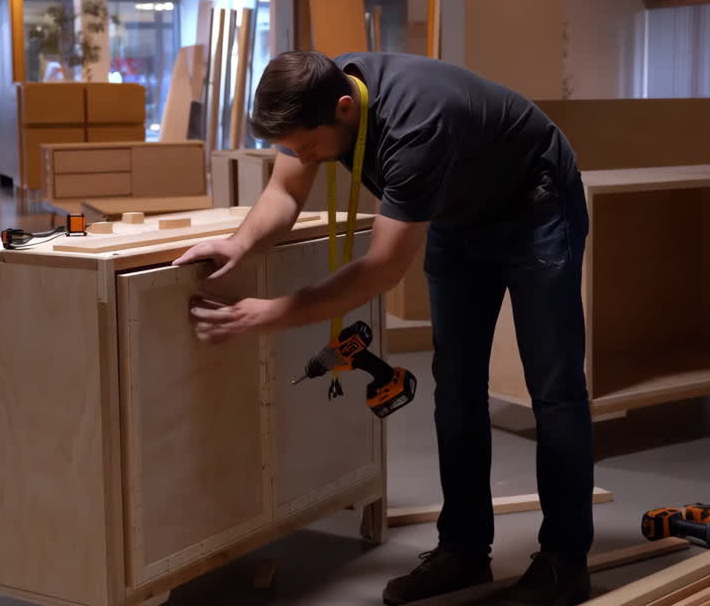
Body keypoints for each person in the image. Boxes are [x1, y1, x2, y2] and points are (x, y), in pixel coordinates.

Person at [173, 50, 595, 606]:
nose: (303, 159)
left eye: (308, 147)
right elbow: (284, 193)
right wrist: (239, 242)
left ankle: (566, 563)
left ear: (345, 110)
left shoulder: (418, 125)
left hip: (535, 203)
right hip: (458, 208)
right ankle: (463, 551)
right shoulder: (319, 92)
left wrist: (268, 313)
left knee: (555, 388)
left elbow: (380, 269)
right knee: (456, 389)